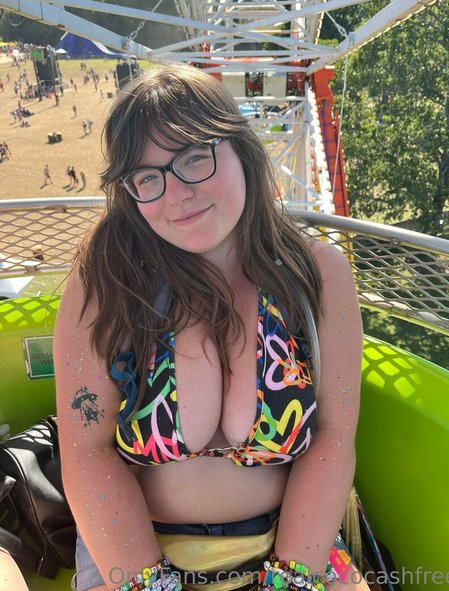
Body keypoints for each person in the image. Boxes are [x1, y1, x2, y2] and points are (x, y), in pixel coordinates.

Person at [53, 64, 365, 591]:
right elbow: (87, 450)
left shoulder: (316, 275)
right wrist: (147, 585)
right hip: (132, 551)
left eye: (194, 157)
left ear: (241, 148)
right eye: (147, 177)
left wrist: (291, 579)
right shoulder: (107, 281)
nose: (176, 194)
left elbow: (333, 436)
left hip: (293, 542)